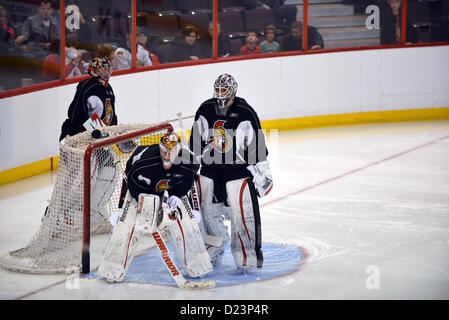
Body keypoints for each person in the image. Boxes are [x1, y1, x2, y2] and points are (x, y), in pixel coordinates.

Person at [97, 132, 213, 282]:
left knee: (187, 223)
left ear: (178, 150)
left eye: (170, 151)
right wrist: (131, 206)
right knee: (127, 226)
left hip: (172, 191)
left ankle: (197, 265)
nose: (166, 154)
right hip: (141, 190)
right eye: (163, 150)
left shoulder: (189, 161)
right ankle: (112, 268)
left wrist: (177, 195)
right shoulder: (144, 163)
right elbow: (131, 183)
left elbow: (187, 180)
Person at [188, 74, 273, 271]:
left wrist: (263, 170)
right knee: (208, 214)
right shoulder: (205, 108)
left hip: (237, 172)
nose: (219, 94)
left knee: (242, 215)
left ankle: (247, 257)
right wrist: (190, 164)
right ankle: (213, 249)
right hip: (210, 170)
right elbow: (195, 142)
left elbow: (257, 146)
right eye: (217, 90)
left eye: (223, 90)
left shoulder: (245, 112)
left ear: (233, 90)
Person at [59, 57, 116, 141]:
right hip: (76, 134)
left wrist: (113, 130)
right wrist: (94, 129)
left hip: (98, 136)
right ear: (94, 71)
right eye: (101, 67)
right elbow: (74, 114)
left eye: (107, 66)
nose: (106, 69)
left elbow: (111, 114)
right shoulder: (87, 86)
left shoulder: (108, 89)